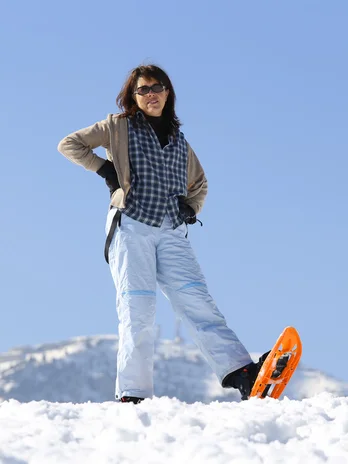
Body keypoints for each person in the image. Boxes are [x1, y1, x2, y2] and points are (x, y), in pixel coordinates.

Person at [57, 64, 265, 403]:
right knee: (138, 308)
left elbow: (200, 184)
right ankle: (133, 394)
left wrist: (190, 208)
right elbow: (70, 144)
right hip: (132, 225)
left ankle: (240, 372)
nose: (151, 94)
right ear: (133, 96)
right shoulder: (118, 126)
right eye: (143, 89)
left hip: (171, 232)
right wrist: (105, 169)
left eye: (158, 87)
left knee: (198, 301)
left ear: (168, 93)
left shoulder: (179, 140)